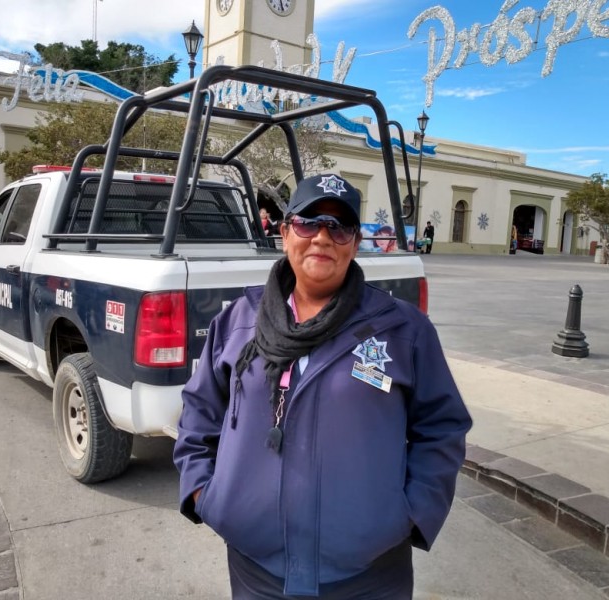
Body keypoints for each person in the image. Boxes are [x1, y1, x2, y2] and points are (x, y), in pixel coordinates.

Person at [174, 173, 472, 599]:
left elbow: (442, 427)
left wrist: (408, 513)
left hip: (368, 575)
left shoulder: (403, 329)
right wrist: (206, 493)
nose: (322, 237)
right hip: (257, 568)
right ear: (284, 231)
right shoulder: (238, 321)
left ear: (354, 241)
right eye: (308, 222)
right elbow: (199, 411)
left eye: (339, 225)